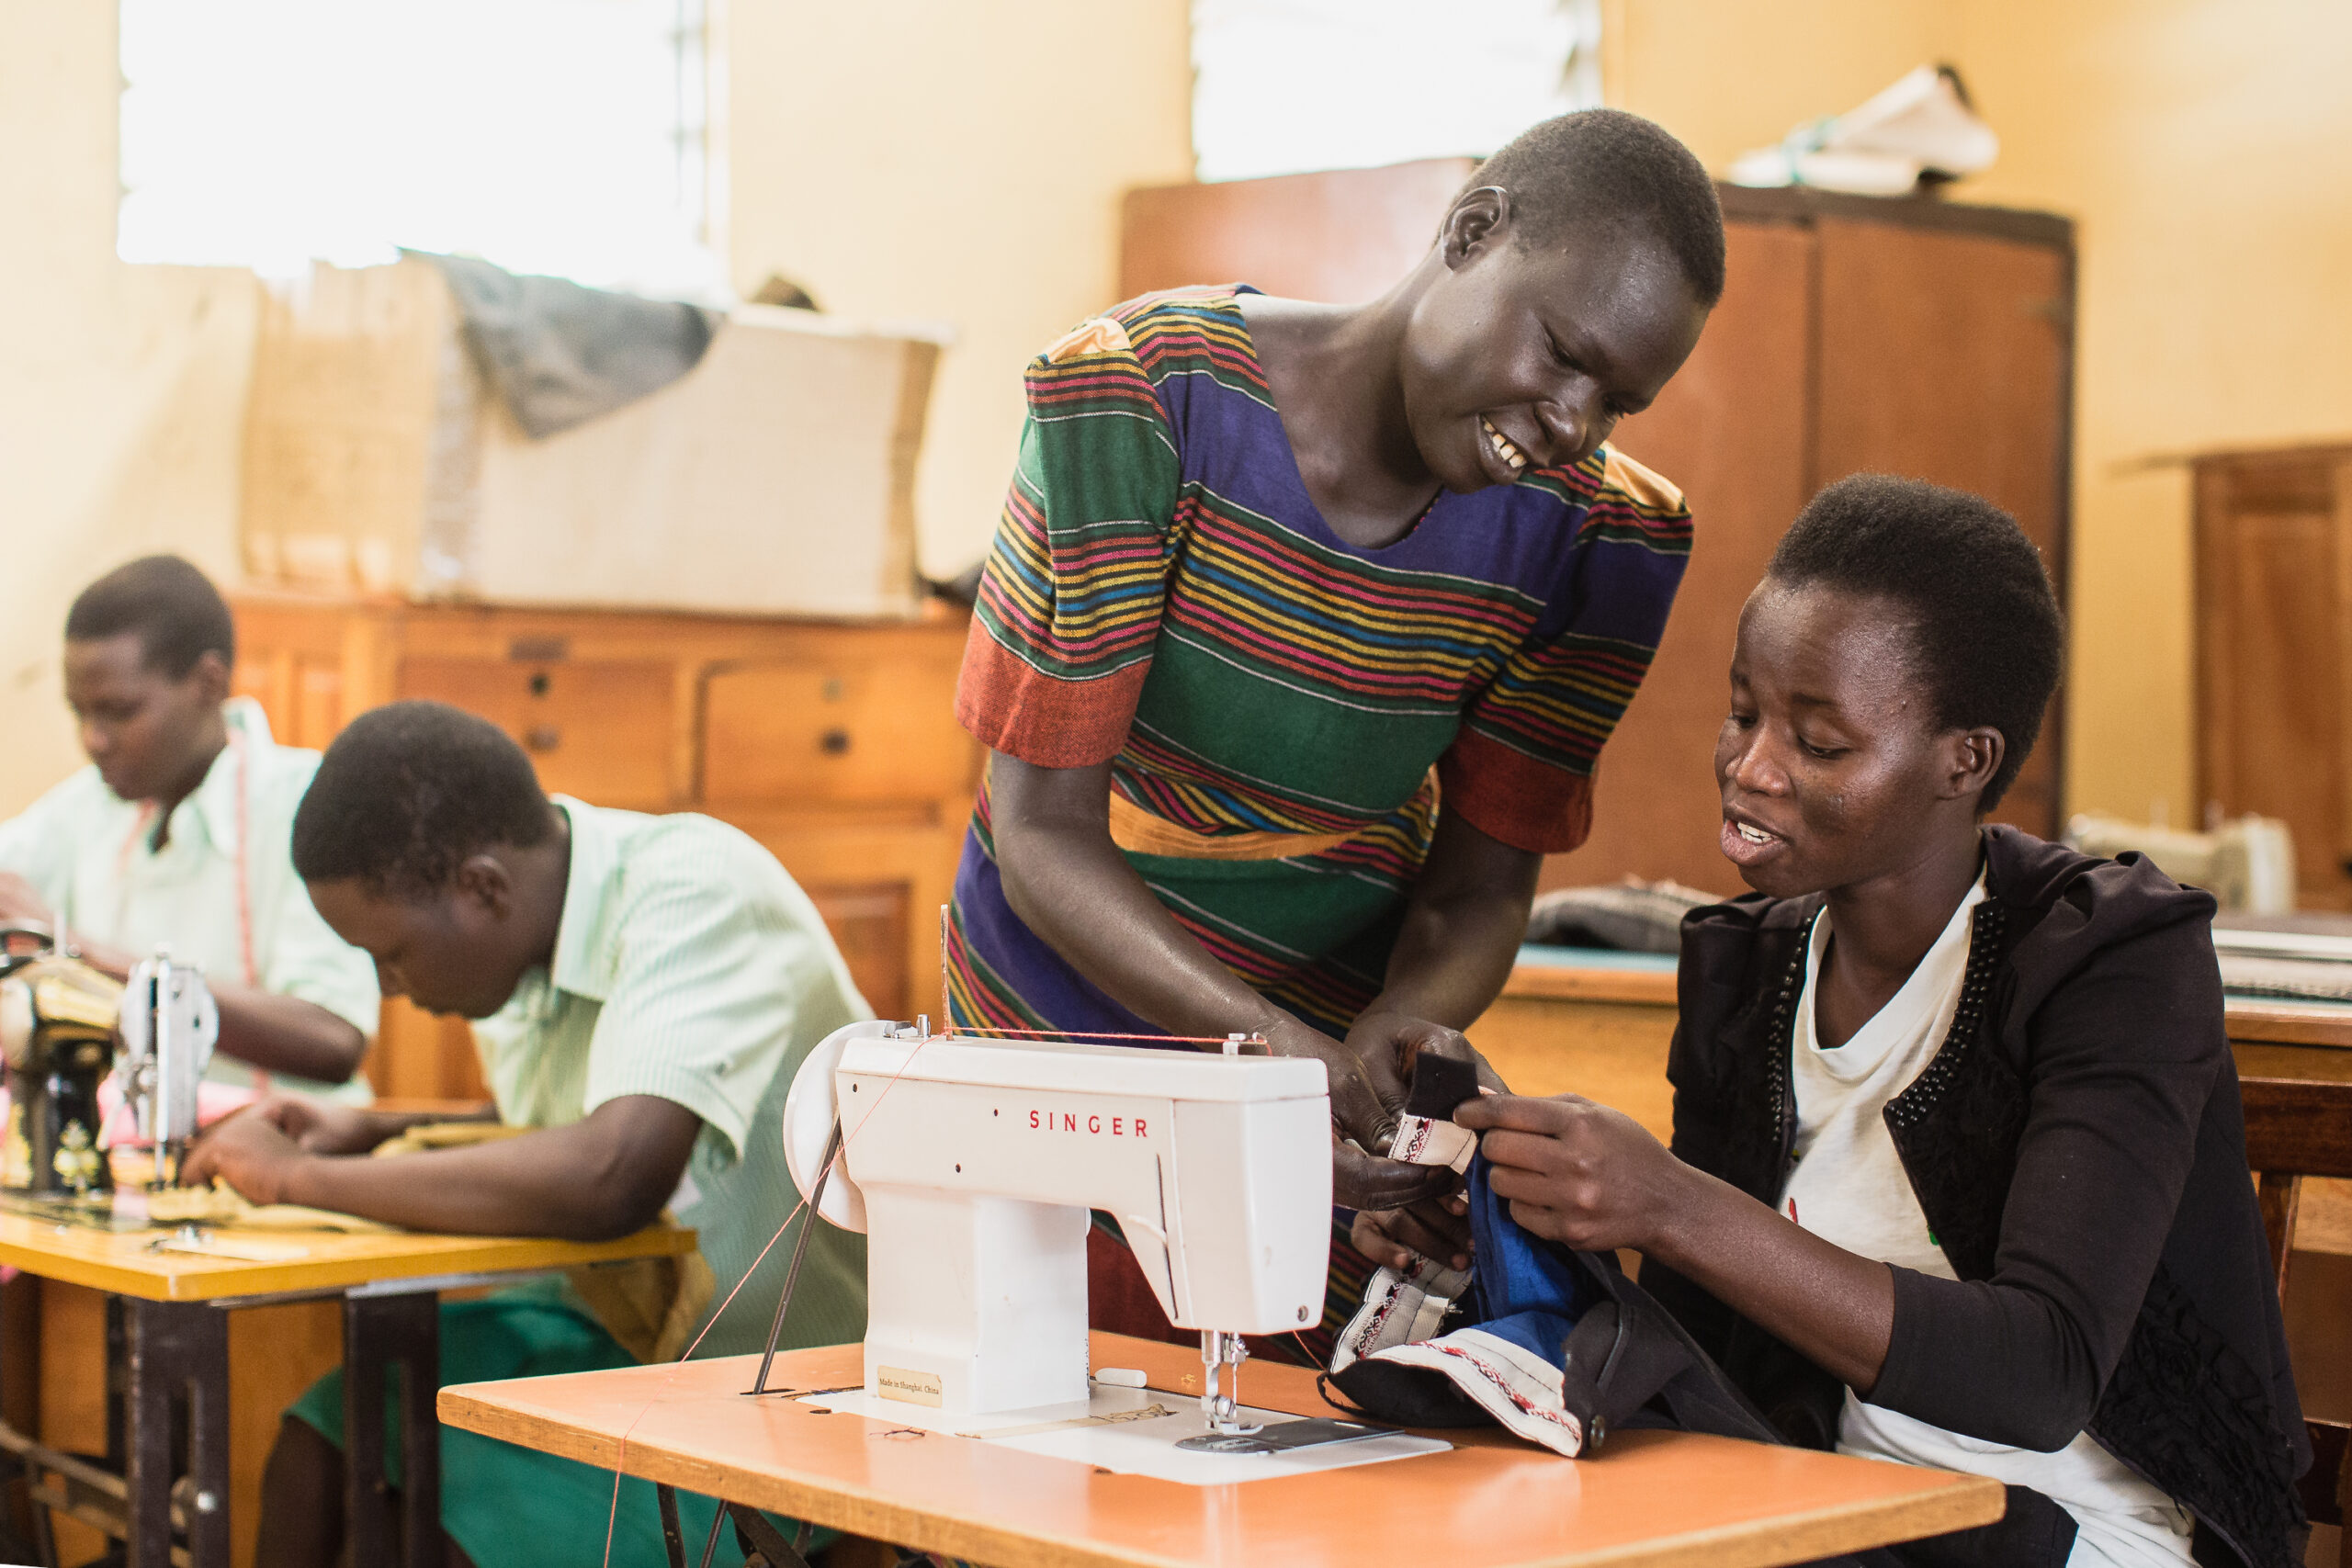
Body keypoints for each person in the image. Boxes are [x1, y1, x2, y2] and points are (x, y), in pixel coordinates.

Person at [1373, 477, 2305, 1566]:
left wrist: (1668, 1203)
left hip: (2079, 1534)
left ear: (1967, 759)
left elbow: (2043, 1377)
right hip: (1827, 1501)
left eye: (1818, 745)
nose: (1749, 768)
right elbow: (1709, 1337)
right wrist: (1527, 1232)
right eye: (1741, 712)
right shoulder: (1748, 963)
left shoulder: (2109, 959)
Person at [944, 109, 1722, 1334]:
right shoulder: (1141, 399)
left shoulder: (1602, 539)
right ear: (1472, 232)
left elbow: (1477, 892)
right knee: (1056, 1426)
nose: (1576, 421)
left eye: (1620, 399)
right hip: (1068, 1005)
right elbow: (1042, 833)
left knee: (1298, 1458)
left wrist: (1385, 1040)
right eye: (1566, 352)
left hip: (1330, 1050)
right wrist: (1267, 1045)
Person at [180, 701, 869, 1568]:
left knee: (439, 1516)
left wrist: (291, 1179)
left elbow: (612, 1171)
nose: (389, 986)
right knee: (323, 1449)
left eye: (393, 953)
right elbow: (571, 1121)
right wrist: (372, 1126)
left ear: (482, 887)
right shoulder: (513, 949)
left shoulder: (695, 891)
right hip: (615, 1339)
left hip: (771, 1392)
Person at [0, 556, 377, 1098]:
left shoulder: (306, 803)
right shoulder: (90, 803)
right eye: (79, 712)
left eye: (119, 711)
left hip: (286, 1157)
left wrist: (75, 953)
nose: (92, 739)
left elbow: (333, 1040)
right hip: (130, 1152)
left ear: (208, 681)